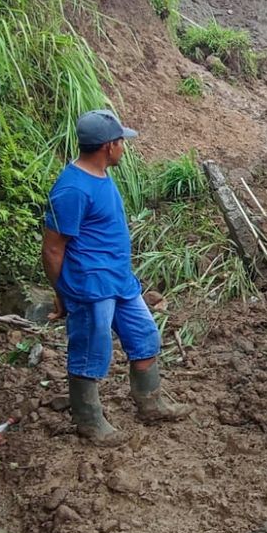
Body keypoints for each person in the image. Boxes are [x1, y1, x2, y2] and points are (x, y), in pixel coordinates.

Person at [42, 110, 191, 447]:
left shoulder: (101, 174)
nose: (125, 146)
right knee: (90, 351)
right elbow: (52, 249)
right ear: (109, 146)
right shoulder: (72, 189)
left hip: (120, 280)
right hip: (90, 286)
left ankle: (150, 403)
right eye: (122, 141)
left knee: (145, 338)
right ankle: (88, 420)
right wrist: (62, 292)